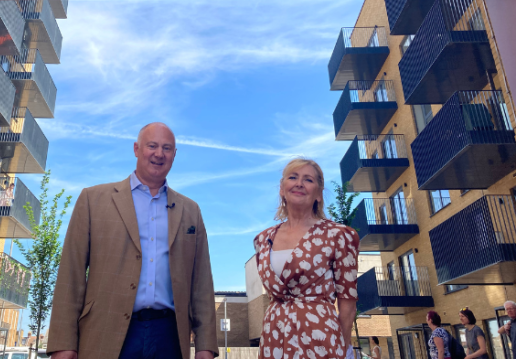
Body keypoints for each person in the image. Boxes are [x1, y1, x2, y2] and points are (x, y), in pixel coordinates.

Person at [46, 123, 218, 359]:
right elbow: (71, 274)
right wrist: (63, 343)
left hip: (169, 337)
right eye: (152, 146)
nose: (159, 154)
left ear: (175, 155)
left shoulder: (191, 211)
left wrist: (205, 346)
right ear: (136, 149)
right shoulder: (92, 200)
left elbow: (201, 283)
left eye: (167, 148)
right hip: (103, 333)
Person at [253, 158, 359, 359]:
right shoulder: (262, 239)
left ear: (319, 193)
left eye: (308, 179)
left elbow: (347, 302)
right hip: (273, 339)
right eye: (293, 177)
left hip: (321, 341)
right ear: (282, 189)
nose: (299, 183)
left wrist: (341, 348)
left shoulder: (339, 235)